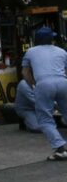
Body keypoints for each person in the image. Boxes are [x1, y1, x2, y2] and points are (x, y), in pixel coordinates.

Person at [21, 27, 67, 160]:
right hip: (63, 82)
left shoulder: (30, 51)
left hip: (44, 83)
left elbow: (25, 72)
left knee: (45, 118)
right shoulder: (61, 51)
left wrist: (33, 85)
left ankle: (60, 148)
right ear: (51, 39)